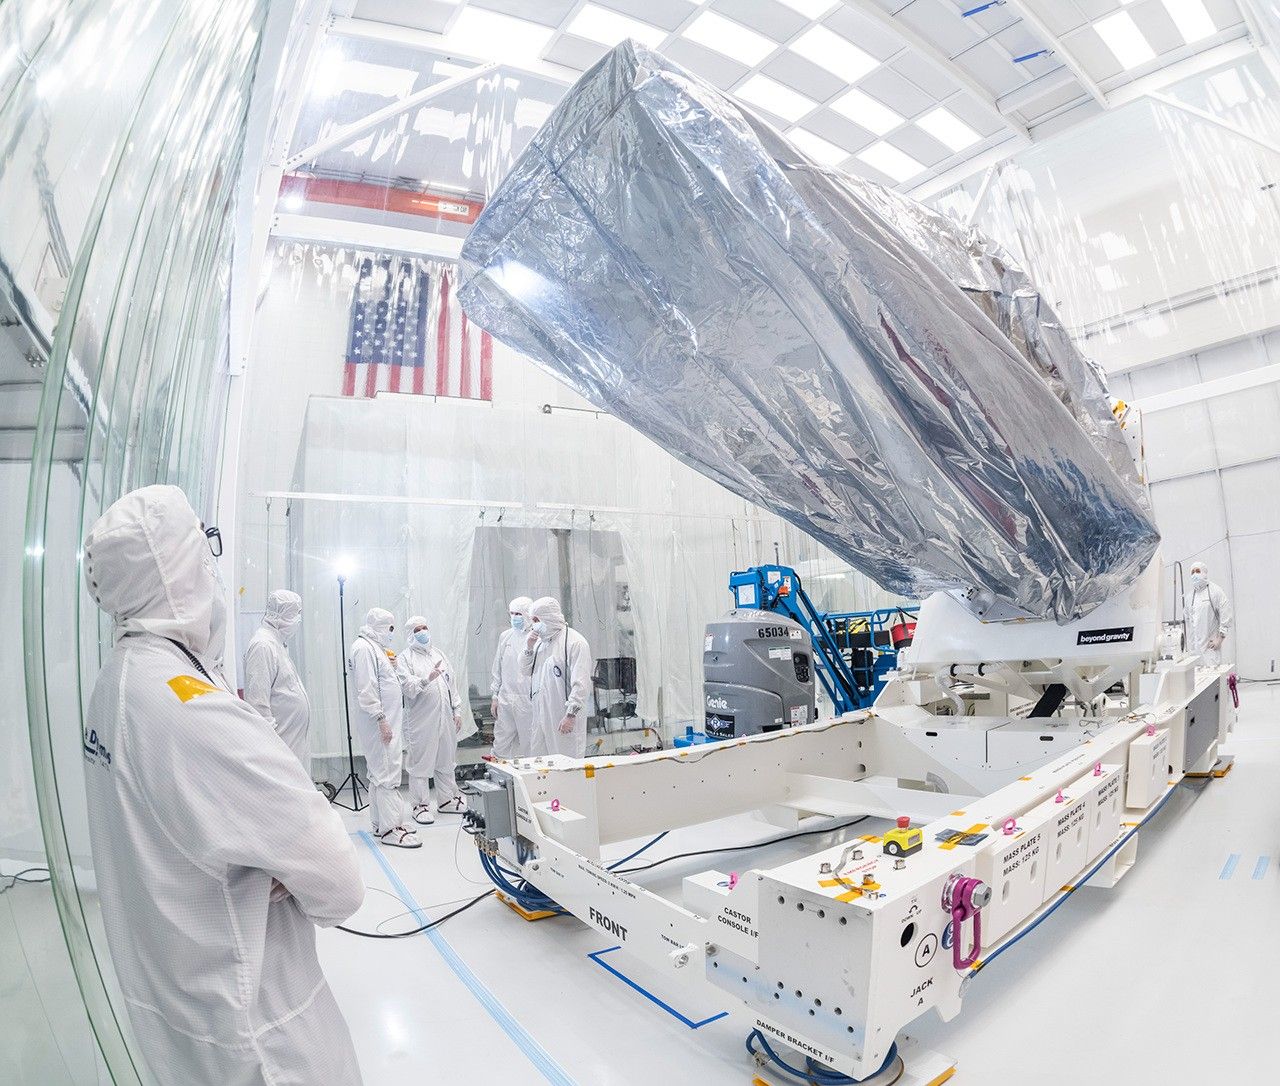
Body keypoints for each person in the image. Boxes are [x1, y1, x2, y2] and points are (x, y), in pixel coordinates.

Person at [80, 485, 364, 1085]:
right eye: (203, 552)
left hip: (190, 1009)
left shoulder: (119, 682)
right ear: (179, 572)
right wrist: (274, 868)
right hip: (263, 1032)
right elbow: (339, 882)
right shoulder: (190, 711)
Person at [349, 607, 420, 848]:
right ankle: (392, 829)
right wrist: (381, 719)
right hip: (379, 722)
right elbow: (366, 688)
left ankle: (381, 823)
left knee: (379, 774)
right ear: (379, 626)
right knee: (388, 773)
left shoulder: (373, 648)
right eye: (390, 628)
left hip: (384, 720)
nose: (392, 633)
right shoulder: (364, 649)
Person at [397, 616, 466, 823]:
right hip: (420, 721)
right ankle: (420, 805)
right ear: (410, 634)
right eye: (418, 629)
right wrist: (427, 679)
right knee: (420, 763)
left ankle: (446, 800)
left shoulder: (439, 654)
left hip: (445, 717)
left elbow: (451, 684)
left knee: (446, 759)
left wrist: (457, 710)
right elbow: (407, 688)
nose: (423, 632)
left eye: (425, 627)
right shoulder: (405, 658)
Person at [243, 589, 311, 769]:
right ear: (285, 615)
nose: (298, 620)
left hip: (291, 743)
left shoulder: (277, 643)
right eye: (297, 614)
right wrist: (273, 748)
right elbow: (258, 705)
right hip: (280, 749)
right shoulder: (263, 646)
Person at [522, 596, 594, 759]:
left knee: (567, 765)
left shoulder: (575, 643)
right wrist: (528, 647)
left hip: (563, 718)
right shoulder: (540, 644)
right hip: (540, 717)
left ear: (548, 617)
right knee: (540, 765)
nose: (533, 624)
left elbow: (581, 684)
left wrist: (571, 715)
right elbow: (525, 670)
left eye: (536, 619)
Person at [490, 595, 534, 759]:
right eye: (512, 614)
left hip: (528, 700)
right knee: (501, 741)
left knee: (529, 742)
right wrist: (495, 696)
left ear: (528, 615)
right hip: (506, 698)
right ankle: (500, 777)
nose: (514, 618)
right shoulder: (505, 636)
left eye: (519, 614)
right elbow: (498, 668)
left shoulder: (536, 638)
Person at [1185, 560, 1233, 666]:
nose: (1194, 575)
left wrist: (1220, 639)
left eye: (1197, 571)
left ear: (1204, 573)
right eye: (1192, 572)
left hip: (1210, 648)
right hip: (1194, 651)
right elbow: (1188, 622)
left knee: (1212, 678)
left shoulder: (1215, 591)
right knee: (1197, 680)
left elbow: (1226, 614)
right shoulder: (1189, 597)